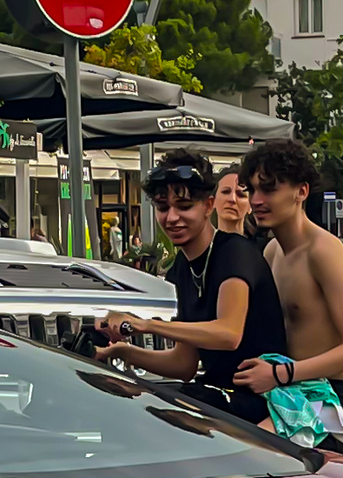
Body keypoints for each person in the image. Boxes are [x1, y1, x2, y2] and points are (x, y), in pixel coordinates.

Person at [94, 149, 287, 424]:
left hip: (259, 397)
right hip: (216, 393)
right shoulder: (182, 267)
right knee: (126, 401)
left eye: (184, 206)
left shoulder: (235, 252)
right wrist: (120, 352)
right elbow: (183, 364)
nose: (172, 218)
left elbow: (228, 333)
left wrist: (145, 325)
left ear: (208, 206)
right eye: (162, 207)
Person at [238, 139, 343, 450]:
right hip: (287, 393)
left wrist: (281, 374)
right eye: (252, 190)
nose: (257, 200)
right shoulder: (272, 251)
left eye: (269, 189)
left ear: (301, 191)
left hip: (334, 402)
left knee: (252, 452)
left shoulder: (323, 250)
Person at [212, 166, 267, 247]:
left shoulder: (264, 249)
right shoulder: (199, 248)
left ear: (251, 206)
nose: (232, 199)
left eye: (241, 195)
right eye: (225, 192)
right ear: (213, 201)